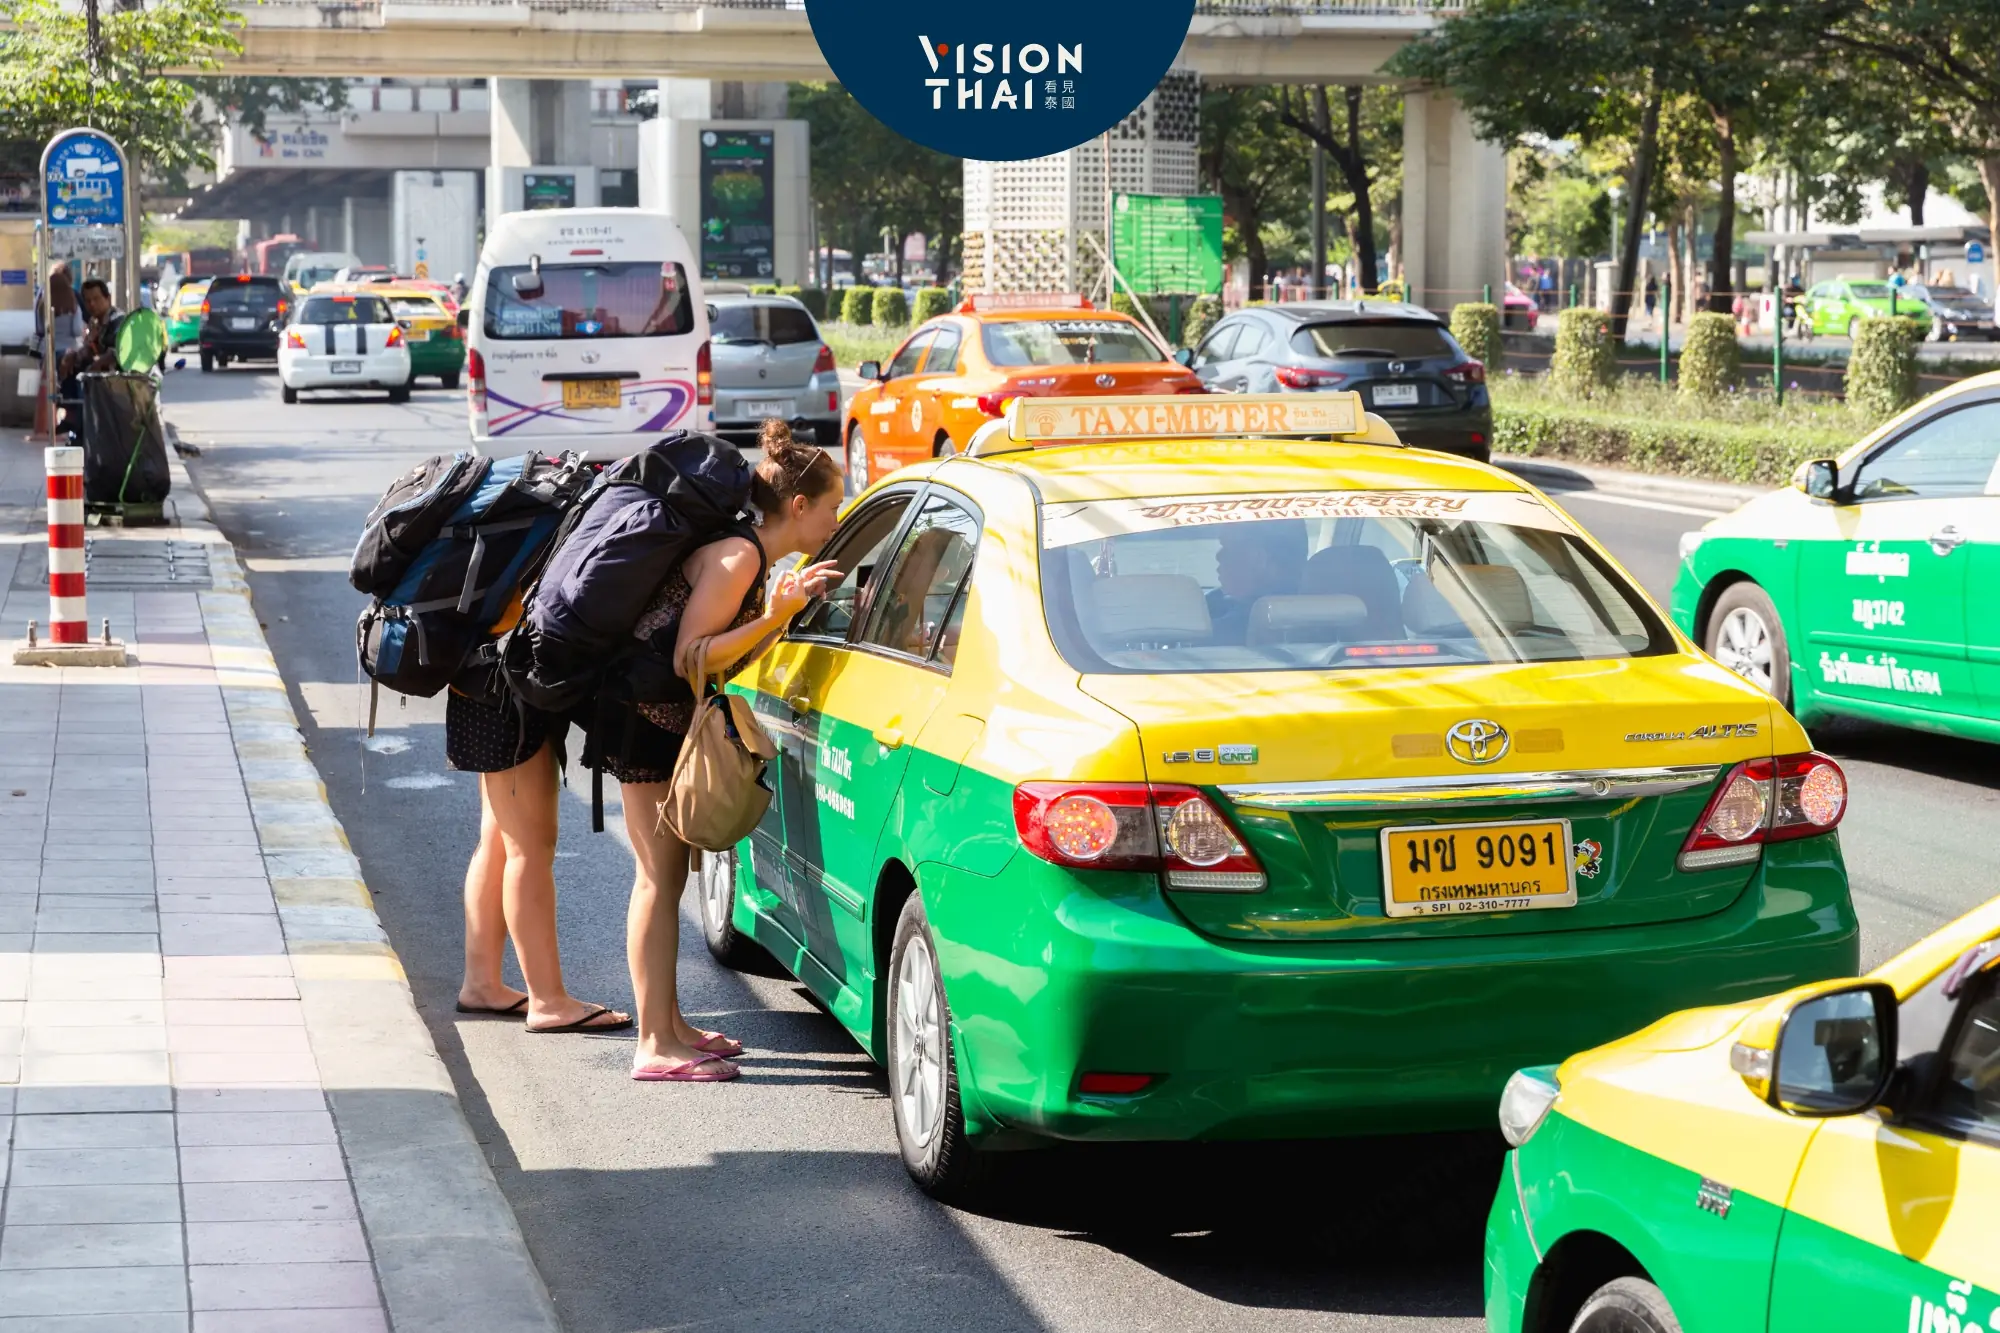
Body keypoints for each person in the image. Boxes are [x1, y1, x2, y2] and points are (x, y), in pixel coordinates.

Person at [595, 423, 842, 1082]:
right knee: (657, 878)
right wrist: (775, 616)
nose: (836, 520)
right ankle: (653, 1043)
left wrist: (782, 611)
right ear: (798, 506)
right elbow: (690, 655)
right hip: (645, 718)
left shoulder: (753, 555)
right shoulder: (739, 557)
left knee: (670, 878)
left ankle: (670, 1023)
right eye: (831, 507)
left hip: (658, 716)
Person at [447, 656, 633, 1035]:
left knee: (499, 839)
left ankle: (482, 983)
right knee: (529, 849)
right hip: (514, 687)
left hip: (478, 679)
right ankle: (548, 1001)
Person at [1205, 520, 1307, 645]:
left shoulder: (1215, 635)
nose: (1218, 556)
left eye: (1227, 547)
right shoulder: (1321, 621)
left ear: (1258, 557)